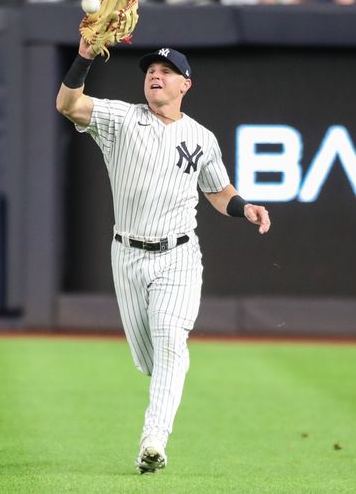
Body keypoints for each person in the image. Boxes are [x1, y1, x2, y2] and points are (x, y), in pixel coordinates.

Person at [55, 40, 272, 473]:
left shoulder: (201, 138)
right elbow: (67, 104)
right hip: (128, 255)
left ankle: (153, 440)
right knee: (151, 361)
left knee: (172, 343)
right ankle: (163, 395)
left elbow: (217, 190)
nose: (156, 75)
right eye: (151, 69)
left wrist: (243, 206)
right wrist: (83, 57)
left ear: (185, 84)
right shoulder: (120, 118)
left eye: (167, 71)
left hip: (179, 254)